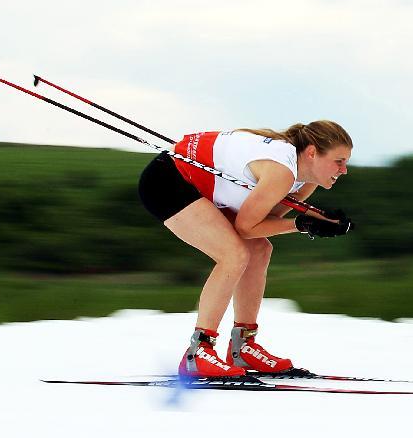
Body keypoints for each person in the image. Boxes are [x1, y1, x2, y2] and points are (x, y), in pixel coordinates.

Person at [138, 121, 353, 378]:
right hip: (168, 181)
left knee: (259, 250)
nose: (344, 170)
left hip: (200, 184)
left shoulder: (306, 181)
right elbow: (246, 227)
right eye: (338, 161)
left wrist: (316, 220)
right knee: (234, 254)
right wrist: (302, 224)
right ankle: (198, 352)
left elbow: (266, 220)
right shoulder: (282, 171)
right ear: (311, 153)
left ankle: (242, 346)